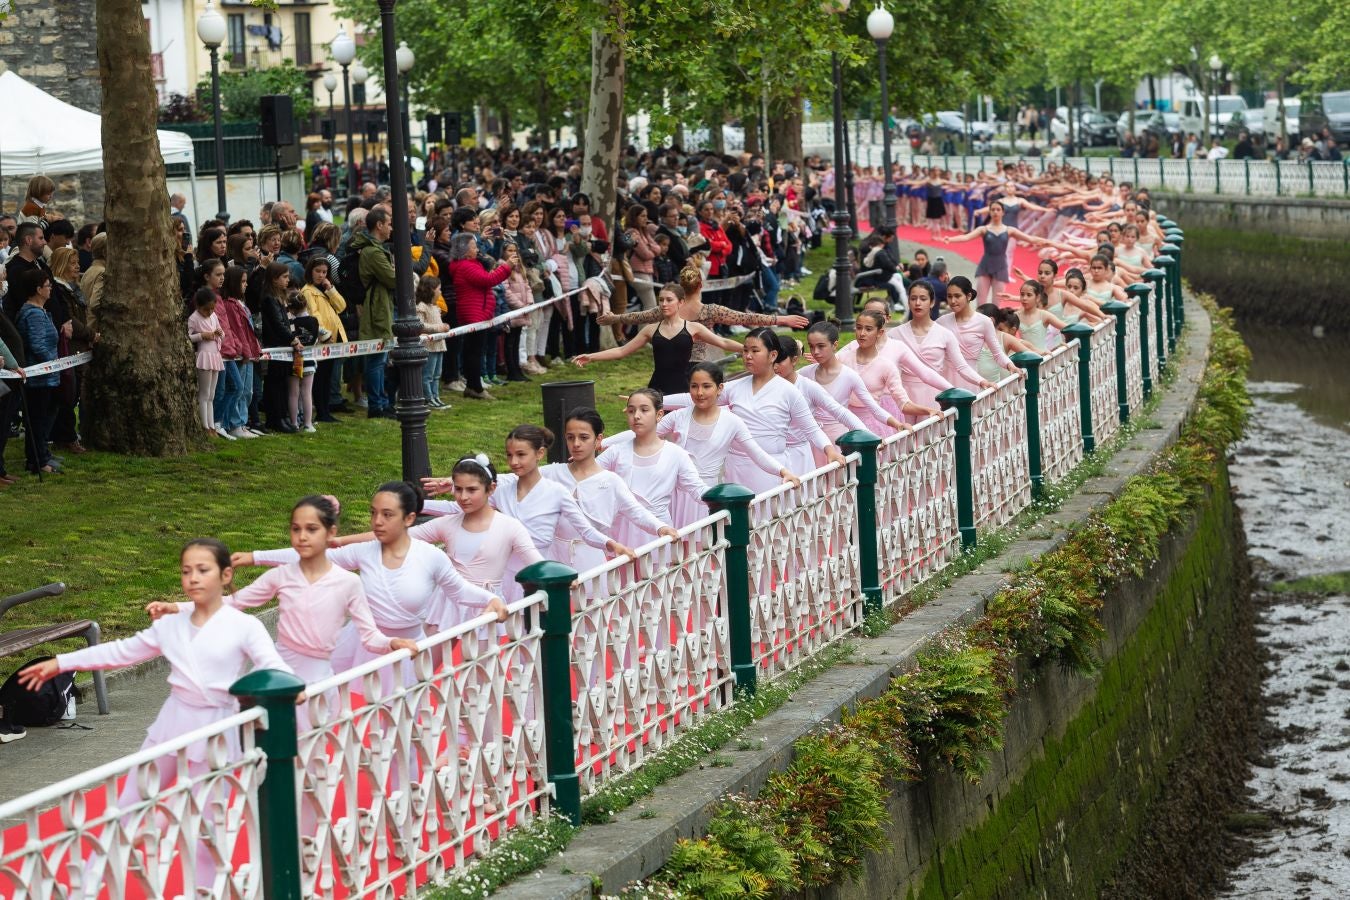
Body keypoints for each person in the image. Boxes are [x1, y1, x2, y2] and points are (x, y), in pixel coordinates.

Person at [18, 539, 294, 891]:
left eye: (203, 570)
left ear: (226, 575)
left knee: (206, 826)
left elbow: (274, 667)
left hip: (216, 732)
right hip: (172, 723)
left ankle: (204, 891)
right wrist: (61, 662)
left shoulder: (245, 626)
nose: (193, 578)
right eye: (186, 571)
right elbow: (121, 652)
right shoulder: (170, 626)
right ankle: (86, 885)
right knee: (126, 806)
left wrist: (291, 693)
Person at [235, 482, 506, 681]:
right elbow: (313, 553)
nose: (377, 521)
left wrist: (491, 600)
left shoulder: (430, 557)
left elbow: (459, 591)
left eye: (387, 515)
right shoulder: (364, 552)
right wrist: (254, 557)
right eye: (373, 513)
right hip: (362, 642)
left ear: (409, 518)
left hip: (406, 651)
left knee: (402, 727)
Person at [147, 498, 419, 688]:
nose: (302, 537)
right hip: (276, 674)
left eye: (311, 530)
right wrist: (176, 607)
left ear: (330, 533)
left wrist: (391, 643)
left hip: (319, 681)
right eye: (295, 529)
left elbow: (369, 635)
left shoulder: (348, 583)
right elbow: (233, 603)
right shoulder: (281, 576)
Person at [541, 408, 677, 573]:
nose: (576, 444)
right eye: (570, 438)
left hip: (592, 562)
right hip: (554, 559)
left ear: (598, 439)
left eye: (584, 437)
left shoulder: (611, 481)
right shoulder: (551, 473)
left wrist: (660, 527)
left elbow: (636, 511)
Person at [597, 264, 807, 365]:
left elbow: (637, 317)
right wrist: (782, 319)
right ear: (700, 285)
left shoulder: (667, 309)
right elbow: (747, 318)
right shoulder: (710, 310)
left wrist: (614, 318)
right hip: (701, 364)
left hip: (669, 367)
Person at [573, 283, 740, 395]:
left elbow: (723, 342)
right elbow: (622, 351)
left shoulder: (692, 328)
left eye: (669, 300)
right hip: (657, 387)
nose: (664, 304)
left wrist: (749, 349)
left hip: (684, 388)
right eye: (661, 300)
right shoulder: (651, 330)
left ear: (680, 302)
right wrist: (591, 356)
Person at [596, 390, 708, 544]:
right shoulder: (617, 451)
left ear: (659, 414)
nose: (636, 416)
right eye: (631, 411)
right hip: (621, 534)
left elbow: (697, 489)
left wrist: (726, 498)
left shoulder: (676, 454)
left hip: (659, 535)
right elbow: (587, 476)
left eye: (644, 410)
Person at [802, 321, 925, 438]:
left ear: (835, 345)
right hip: (813, 438)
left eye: (821, 346)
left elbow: (874, 408)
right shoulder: (805, 373)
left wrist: (897, 424)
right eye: (811, 347)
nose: (815, 352)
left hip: (839, 438)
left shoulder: (849, 375)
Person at [896, 282, 994, 404]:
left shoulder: (944, 334)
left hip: (934, 397)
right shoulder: (894, 334)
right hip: (904, 398)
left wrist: (982, 381)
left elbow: (961, 366)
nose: (917, 303)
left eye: (923, 299)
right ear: (908, 301)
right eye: (913, 298)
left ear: (932, 302)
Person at [447, 232, 512, 400]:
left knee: (474, 350)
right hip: (474, 313)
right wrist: (507, 267)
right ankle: (476, 387)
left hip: (478, 312)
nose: (477, 250)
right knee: (475, 352)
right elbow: (487, 280)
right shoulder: (465, 266)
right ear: (465, 250)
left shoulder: (470, 263)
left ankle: (472, 386)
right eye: (474, 247)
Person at [940, 200, 1038, 304]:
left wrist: (1051, 243)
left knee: (997, 303)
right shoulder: (984, 229)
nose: (995, 212)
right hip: (985, 265)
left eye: (998, 210)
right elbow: (966, 237)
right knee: (980, 303)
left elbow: (1030, 239)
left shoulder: (1010, 230)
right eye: (993, 210)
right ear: (990, 212)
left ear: (1003, 212)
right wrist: (950, 239)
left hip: (1001, 267)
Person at [13, 269, 62, 475]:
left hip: (46, 375)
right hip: (39, 377)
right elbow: (38, 345)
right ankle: (38, 460)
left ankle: (42, 454)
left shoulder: (39, 311)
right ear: (38, 289)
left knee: (42, 417)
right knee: (38, 419)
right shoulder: (33, 314)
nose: (50, 289)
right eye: (47, 285)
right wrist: (53, 363)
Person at [936, 275, 1022, 387]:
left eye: (957, 296)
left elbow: (997, 353)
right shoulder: (942, 321)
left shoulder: (984, 322)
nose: (952, 301)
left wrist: (1011, 366)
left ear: (968, 296)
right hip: (946, 380)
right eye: (949, 296)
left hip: (972, 380)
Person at [354, 208, 397, 419]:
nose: (391, 227)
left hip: (382, 305)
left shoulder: (375, 249)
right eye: (388, 223)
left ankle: (383, 401)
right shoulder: (372, 252)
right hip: (376, 308)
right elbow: (393, 279)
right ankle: (376, 405)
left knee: (380, 359)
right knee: (376, 360)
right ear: (379, 225)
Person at [299, 256, 347, 424]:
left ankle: (325, 410)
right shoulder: (307, 291)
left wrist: (331, 289)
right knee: (320, 378)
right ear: (310, 271)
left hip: (333, 339)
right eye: (317, 271)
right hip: (322, 341)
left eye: (324, 272)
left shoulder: (325, 289)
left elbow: (341, 306)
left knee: (327, 376)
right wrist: (324, 335)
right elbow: (314, 315)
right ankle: (322, 411)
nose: (321, 275)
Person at [188, 288, 226, 436]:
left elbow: (221, 333)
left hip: (215, 356)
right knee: (204, 393)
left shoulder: (214, 315)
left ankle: (211, 425)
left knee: (211, 394)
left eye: (212, 309)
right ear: (198, 306)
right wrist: (202, 336)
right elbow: (188, 336)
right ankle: (204, 426)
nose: (209, 312)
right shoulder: (194, 318)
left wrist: (219, 334)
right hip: (204, 356)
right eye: (206, 309)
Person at [414, 274, 452, 409]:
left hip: (439, 345)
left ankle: (435, 396)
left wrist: (443, 327)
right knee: (427, 375)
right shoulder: (421, 307)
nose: (440, 292)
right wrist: (439, 328)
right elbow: (419, 325)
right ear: (430, 290)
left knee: (437, 375)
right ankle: (427, 398)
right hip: (428, 346)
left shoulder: (435, 307)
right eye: (439, 289)